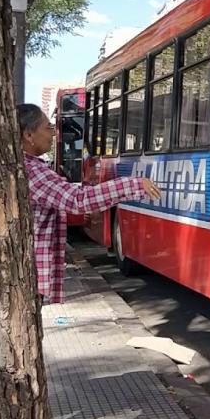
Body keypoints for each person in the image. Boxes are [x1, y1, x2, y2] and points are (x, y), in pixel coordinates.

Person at [17, 104, 161, 304]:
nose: (53, 134)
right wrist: (133, 184)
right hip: (28, 278)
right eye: (49, 128)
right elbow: (79, 200)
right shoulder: (33, 171)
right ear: (29, 135)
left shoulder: (28, 167)